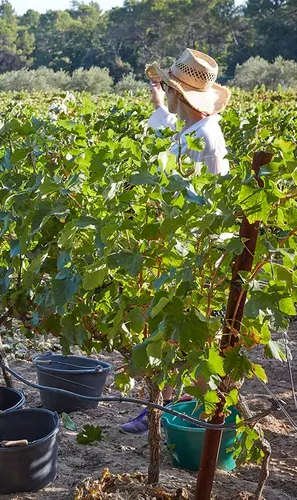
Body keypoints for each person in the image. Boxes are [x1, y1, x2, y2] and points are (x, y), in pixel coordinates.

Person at [120, 48, 231, 435]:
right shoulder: (192, 129)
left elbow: (207, 204)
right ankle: (160, 409)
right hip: (177, 250)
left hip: (193, 256)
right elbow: (172, 133)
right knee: (166, 333)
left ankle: (200, 421)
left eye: (168, 88)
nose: (165, 93)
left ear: (179, 94)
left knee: (193, 342)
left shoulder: (207, 140)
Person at [145, 48, 231, 175]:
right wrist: (158, 104)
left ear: (175, 91)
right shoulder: (197, 127)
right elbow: (178, 128)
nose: (164, 91)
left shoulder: (206, 137)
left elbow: (213, 189)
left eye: (164, 85)